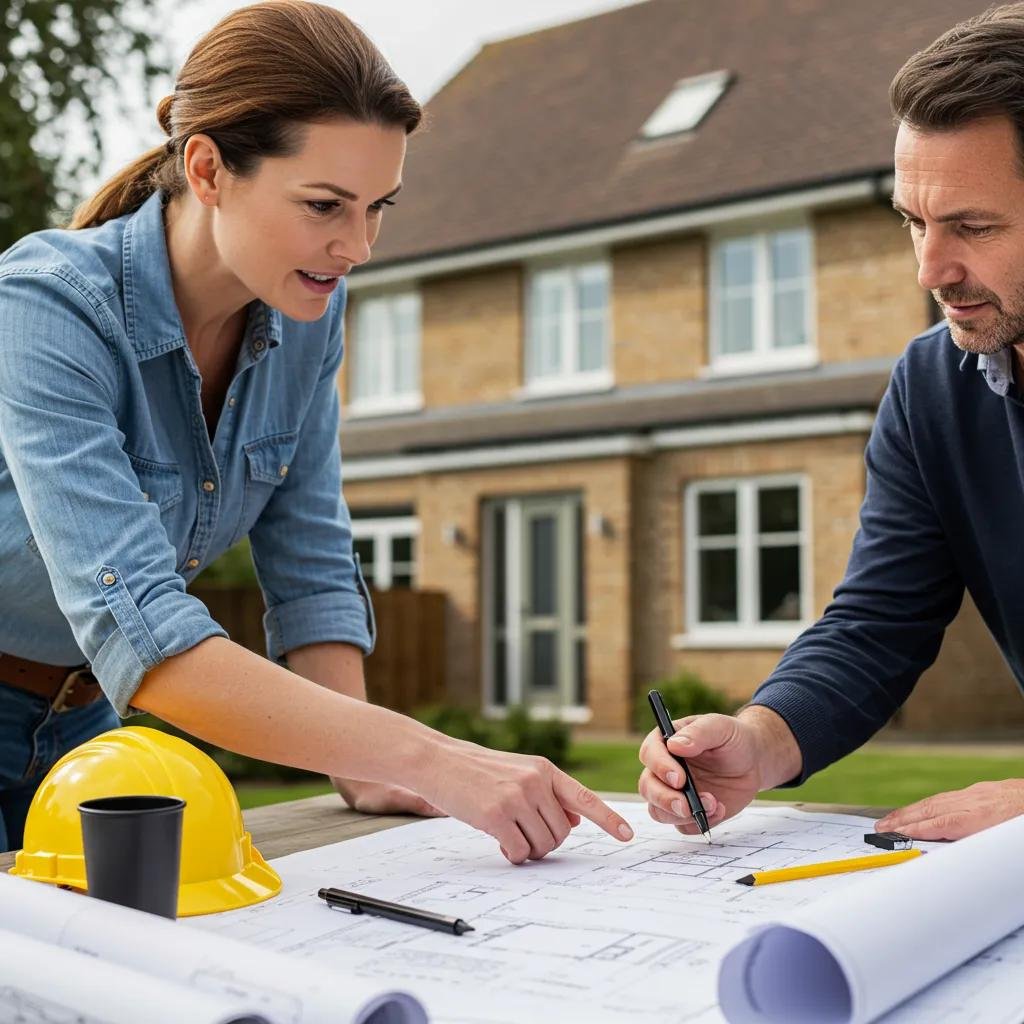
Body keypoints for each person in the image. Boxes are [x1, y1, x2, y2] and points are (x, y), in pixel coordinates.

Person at [0, 0, 635, 860]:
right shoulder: (46, 307)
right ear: (209, 168)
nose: (359, 246)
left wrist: (366, 764)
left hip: (85, 726)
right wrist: (433, 756)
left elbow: (309, 552)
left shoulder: (305, 315)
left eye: (378, 207)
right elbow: (143, 626)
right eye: (327, 205)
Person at [639, 3, 1024, 843]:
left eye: (973, 227)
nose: (930, 269)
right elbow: (878, 623)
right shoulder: (933, 386)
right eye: (913, 222)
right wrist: (762, 739)